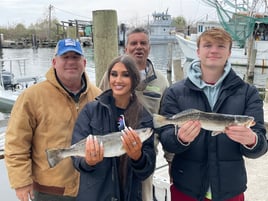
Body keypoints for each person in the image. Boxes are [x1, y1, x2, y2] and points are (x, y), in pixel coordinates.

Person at [158, 28, 268, 201]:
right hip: (186, 188)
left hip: (230, 190)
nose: (214, 50)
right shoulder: (175, 92)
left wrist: (251, 141)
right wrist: (180, 138)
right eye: (208, 45)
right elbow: (166, 140)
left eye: (221, 46)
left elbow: (261, 145)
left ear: (229, 52)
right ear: (198, 51)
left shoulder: (248, 93)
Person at [4, 38, 101, 201]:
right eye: (65, 57)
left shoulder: (98, 96)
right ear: (54, 62)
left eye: (75, 57)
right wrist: (21, 182)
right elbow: (16, 143)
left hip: (90, 186)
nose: (71, 62)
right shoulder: (31, 97)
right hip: (49, 192)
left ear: (84, 62)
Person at [99, 27, 172, 201]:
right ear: (126, 48)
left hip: (144, 154)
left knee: (144, 196)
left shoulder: (161, 81)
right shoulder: (110, 77)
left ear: (149, 47)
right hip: (112, 151)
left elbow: (166, 122)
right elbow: (98, 107)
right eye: (133, 43)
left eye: (143, 43)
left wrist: (171, 160)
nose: (138, 47)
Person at [71, 54, 156, 201]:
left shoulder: (144, 117)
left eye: (125, 75)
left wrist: (138, 157)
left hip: (129, 195)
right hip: (95, 195)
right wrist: (88, 162)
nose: (118, 80)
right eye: (114, 74)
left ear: (134, 79)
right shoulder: (91, 111)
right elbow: (76, 159)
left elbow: (147, 169)